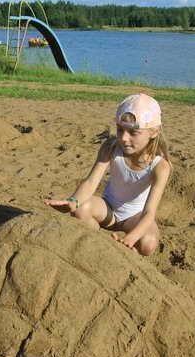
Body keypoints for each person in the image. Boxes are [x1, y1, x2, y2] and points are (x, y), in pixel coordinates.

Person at [44, 94, 172, 256]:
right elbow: (91, 182)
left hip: (135, 217)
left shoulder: (160, 166)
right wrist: (73, 201)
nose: (124, 138)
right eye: (120, 129)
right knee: (80, 209)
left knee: (148, 244)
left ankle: (125, 249)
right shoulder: (111, 147)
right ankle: (98, 244)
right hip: (108, 209)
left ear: (154, 132)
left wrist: (131, 238)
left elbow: (149, 212)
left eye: (133, 132)